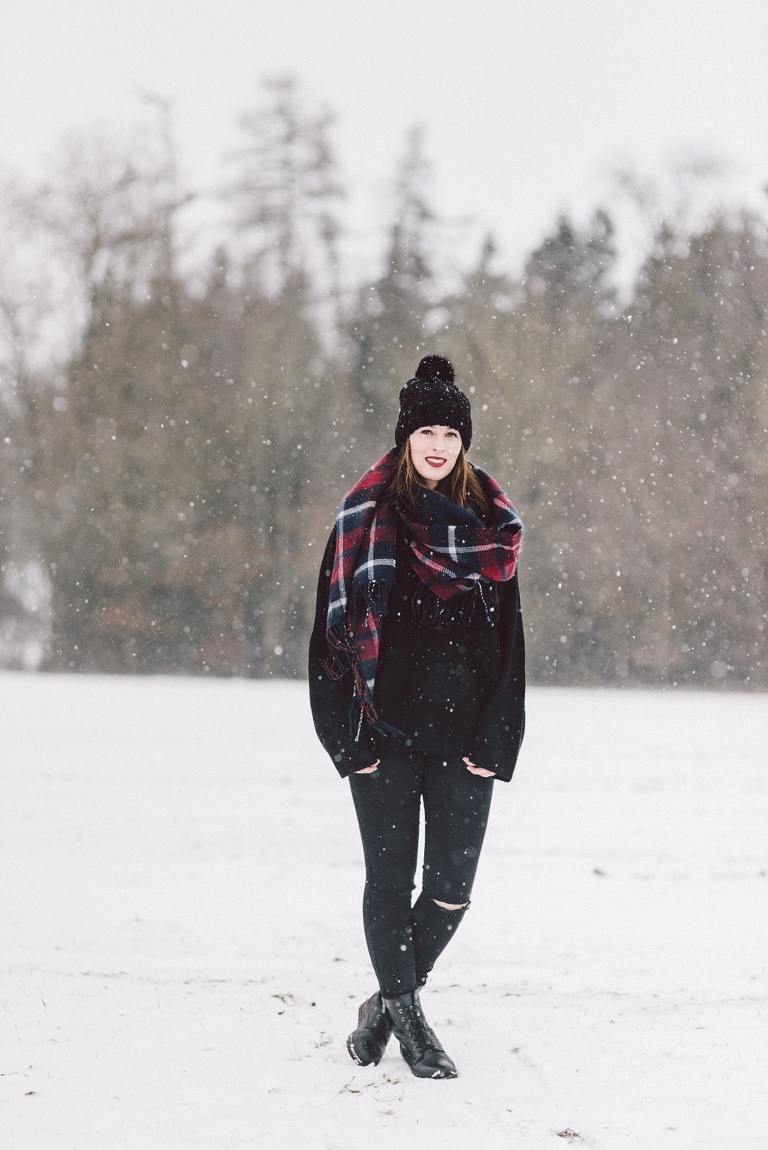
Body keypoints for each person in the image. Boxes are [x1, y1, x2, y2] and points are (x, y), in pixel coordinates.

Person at [308, 355, 525, 1080]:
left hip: (464, 739)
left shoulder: (491, 530)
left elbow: (510, 645)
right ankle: (413, 1025)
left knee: (452, 888)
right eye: (425, 430)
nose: (437, 444)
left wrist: (498, 738)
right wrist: (348, 741)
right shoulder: (365, 519)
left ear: (465, 443)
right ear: (406, 438)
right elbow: (329, 641)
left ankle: (381, 1006)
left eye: (450, 433)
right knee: (388, 880)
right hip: (386, 738)